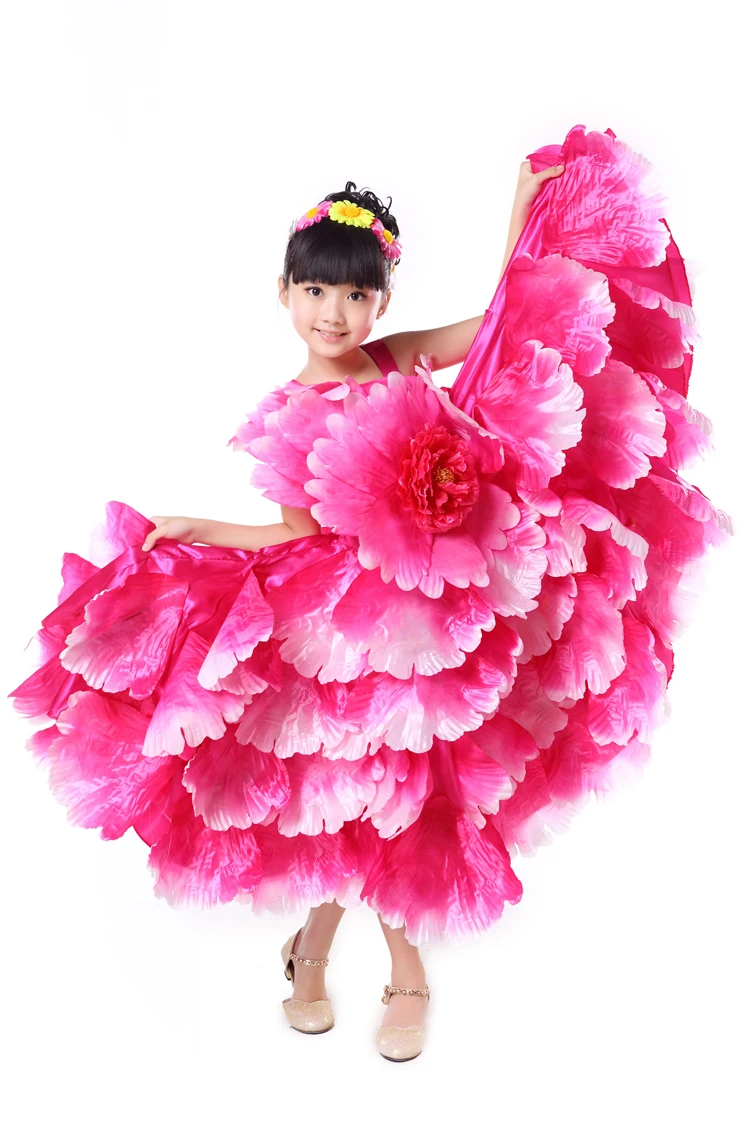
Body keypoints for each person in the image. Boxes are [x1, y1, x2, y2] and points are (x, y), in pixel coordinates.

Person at [9, 123, 731, 1063]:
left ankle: (392, 969)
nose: (335, 312)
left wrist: (520, 215)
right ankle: (318, 953)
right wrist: (202, 528)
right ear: (283, 293)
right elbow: (296, 534)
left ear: (380, 298)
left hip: (421, 618)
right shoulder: (288, 413)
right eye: (316, 291)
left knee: (405, 792)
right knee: (348, 798)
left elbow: (497, 325)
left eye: (355, 293)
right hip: (332, 627)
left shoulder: (392, 360)